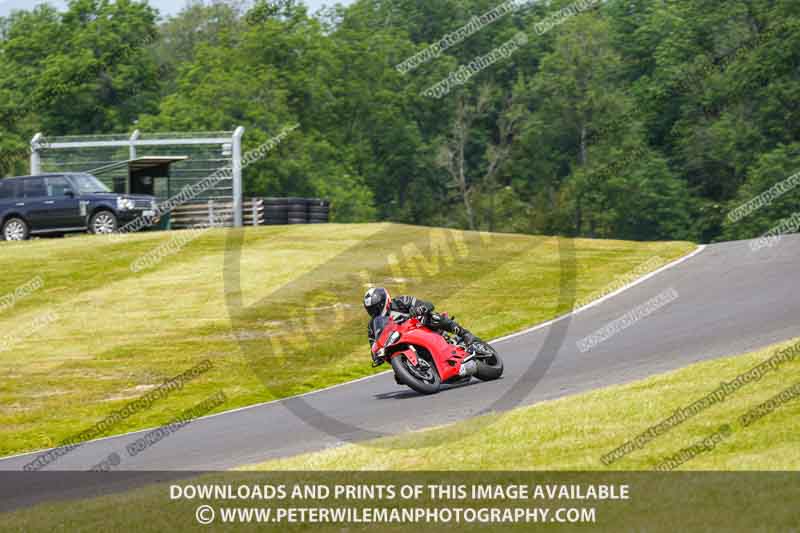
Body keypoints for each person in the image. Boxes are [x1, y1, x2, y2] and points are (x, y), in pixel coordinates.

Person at [363, 287, 479, 358]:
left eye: (376, 307)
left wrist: (419, 309)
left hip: (420, 327)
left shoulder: (400, 302)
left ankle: (464, 334)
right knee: (398, 376)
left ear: (384, 301)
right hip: (400, 341)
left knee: (433, 317)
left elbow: (428, 304)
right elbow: (374, 344)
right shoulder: (372, 326)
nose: (375, 311)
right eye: (371, 310)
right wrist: (376, 355)